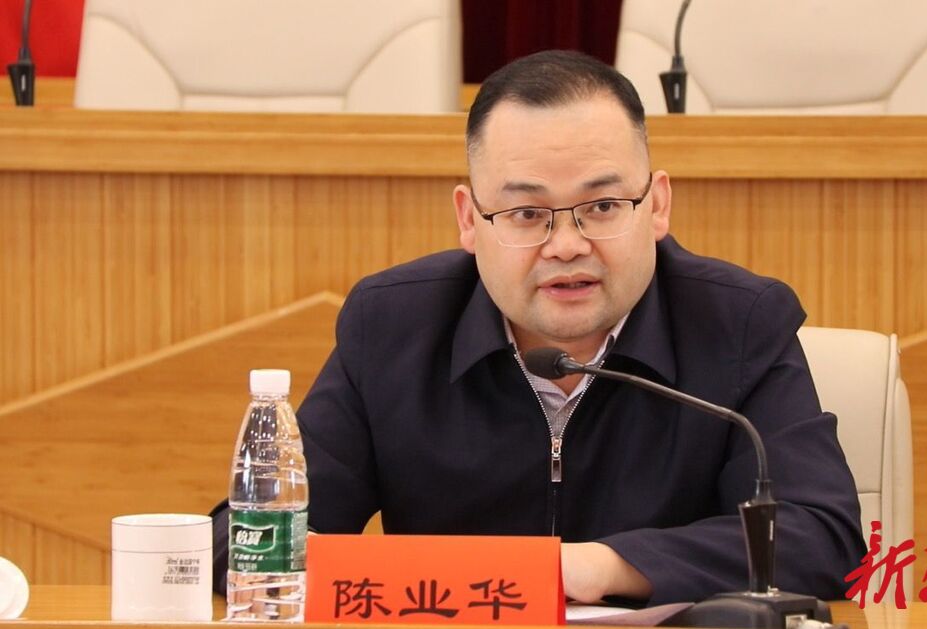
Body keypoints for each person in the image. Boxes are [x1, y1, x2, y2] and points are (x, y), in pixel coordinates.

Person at [211, 50, 866, 605]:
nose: (567, 245)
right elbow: (239, 542)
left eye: (602, 206)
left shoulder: (740, 324)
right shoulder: (391, 327)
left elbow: (822, 539)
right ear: (469, 220)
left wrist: (599, 567)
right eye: (527, 214)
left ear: (658, 204)